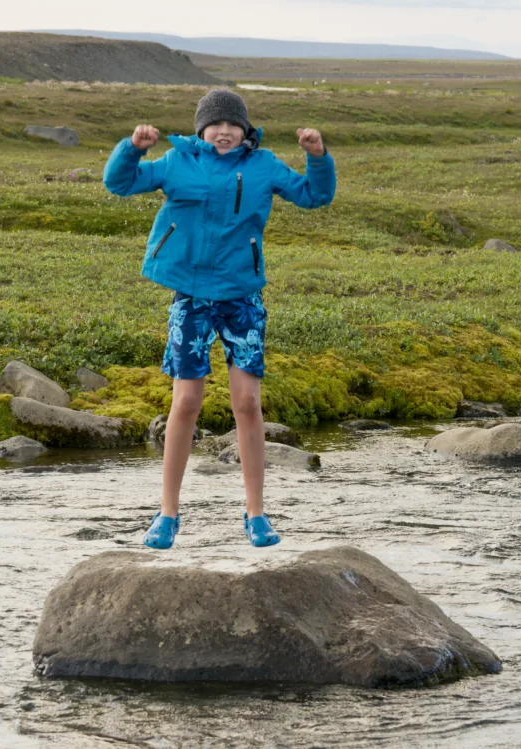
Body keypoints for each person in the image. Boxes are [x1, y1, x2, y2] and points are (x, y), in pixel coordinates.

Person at [102, 88, 336, 550]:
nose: (224, 132)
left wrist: (317, 156)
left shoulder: (263, 164)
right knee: (186, 402)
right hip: (190, 296)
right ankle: (167, 514)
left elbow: (315, 195)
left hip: (241, 297)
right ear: (201, 129)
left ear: (245, 131)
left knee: (247, 402)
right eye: (215, 124)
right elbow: (120, 183)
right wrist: (132, 149)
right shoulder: (177, 161)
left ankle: (256, 514)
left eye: (233, 125)